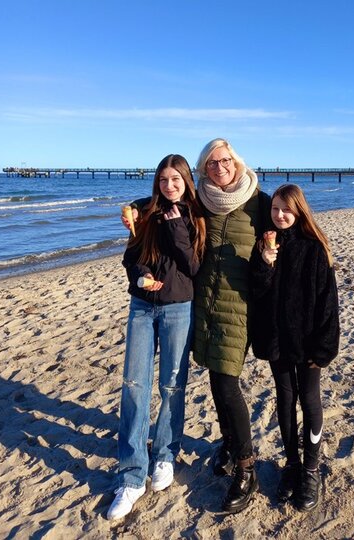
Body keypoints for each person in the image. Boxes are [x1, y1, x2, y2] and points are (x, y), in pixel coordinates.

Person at [122, 138, 272, 514]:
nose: (219, 167)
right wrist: (132, 209)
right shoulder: (202, 201)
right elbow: (157, 204)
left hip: (235, 305)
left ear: (236, 161)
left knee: (223, 382)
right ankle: (226, 445)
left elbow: (288, 224)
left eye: (225, 160)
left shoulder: (256, 202)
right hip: (201, 303)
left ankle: (246, 467)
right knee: (210, 380)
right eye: (211, 163)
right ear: (203, 171)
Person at [108, 154, 206, 520]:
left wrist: (177, 225)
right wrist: (141, 276)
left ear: (186, 180)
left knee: (172, 386)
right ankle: (131, 476)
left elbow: (193, 265)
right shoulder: (145, 212)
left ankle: (165, 455)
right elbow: (132, 257)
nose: (169, 186)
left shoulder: (196, 216)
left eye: (175, 179)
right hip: (141, 306)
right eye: (163, 180)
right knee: (134, 385)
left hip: (179, 307)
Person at [249, 184, 340, 512]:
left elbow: (328, 302)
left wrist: (324, 346)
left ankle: (311, 469)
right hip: (277, 341)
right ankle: (292, 464)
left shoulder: (315, 248)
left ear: (299, 210)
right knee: (285, 399)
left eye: (286, 209)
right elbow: (256, 294)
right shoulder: (264, 244)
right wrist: (264, 264)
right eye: (275, 209)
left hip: (308, 342)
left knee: (310, 399)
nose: (280, 215)